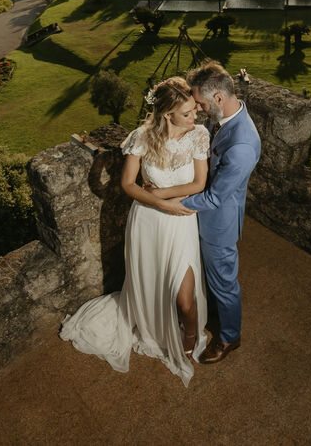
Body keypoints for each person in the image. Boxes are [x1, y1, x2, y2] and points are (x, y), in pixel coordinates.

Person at [60, 76, 210, 386]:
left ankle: (190, 338)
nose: (194, 117)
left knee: (185, 299)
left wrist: (161, 198)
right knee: (152, 279)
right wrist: (158, 202)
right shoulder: (140, 137)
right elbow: (127, 184)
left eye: (194, 111)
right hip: (147, 222)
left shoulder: (199, 136)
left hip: (179, 220)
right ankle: (154, 327)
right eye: (187, 113)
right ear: (167, 113)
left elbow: (198, 184)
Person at [150, 60, 260, 365]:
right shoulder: (222, 115)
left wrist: (170, 204)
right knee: (204, 275)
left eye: (199, 103)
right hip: (199, 214)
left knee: (224, 282)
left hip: (217, 225)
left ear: (219, 99)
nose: (197, 110)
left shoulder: (243, 146)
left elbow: (213, 197)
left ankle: (229, 336)